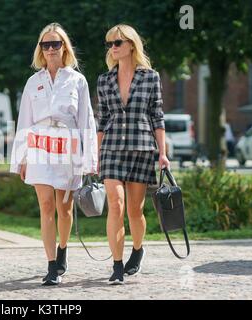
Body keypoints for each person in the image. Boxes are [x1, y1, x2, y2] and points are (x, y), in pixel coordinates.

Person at [10, 22, 98, 286]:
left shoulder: (77, 80)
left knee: (65, 208)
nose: (50, 49)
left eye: (55, 44)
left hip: (68, 146)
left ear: (64, 47)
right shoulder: (32, 82)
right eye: (45, 45)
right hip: (39, 146)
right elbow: (24, 121)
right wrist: (21, 157)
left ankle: (63, 250)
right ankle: (51, 266)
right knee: (46, 206)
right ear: (41, 49)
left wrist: (89, 159)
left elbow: (86, 121)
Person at [96, 24, 170, 285]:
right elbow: (102, 119)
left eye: (117, 42)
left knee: (134, 211)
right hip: (112, 148)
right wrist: (97, 155)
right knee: (115, 205)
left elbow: (157, 116)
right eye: (110, 44)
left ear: (131, 45)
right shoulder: (104, 80)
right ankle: (116, 266)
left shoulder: (150, 77)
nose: (113, 47)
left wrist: (163, 153)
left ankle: (137, 251)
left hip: (142, 147)